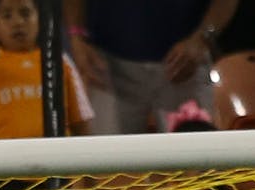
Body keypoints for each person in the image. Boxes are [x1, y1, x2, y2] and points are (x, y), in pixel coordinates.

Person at [65, 0, 235, 135]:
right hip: (107, 63)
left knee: (196, 164)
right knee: (106, 164)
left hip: (184, 65)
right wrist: (75, 34)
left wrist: (203, 36)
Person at [0, 0, 93, 141]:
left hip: (54, 157)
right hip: (4, 159)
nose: (18, 22)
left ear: (40, 19)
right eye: (7, 16)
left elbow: (81, 122)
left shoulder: (59, 61)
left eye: (25, 13)